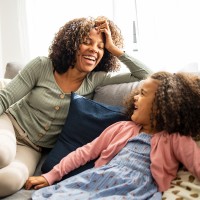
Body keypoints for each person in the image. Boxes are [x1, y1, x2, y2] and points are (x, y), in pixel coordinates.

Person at [0, 16, 151, 197]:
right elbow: (5, 98)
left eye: (100, 47)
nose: (94, 50)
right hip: (11, 124)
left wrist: (113, 48)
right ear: (71, 44)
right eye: (87, 42)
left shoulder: (96, 80)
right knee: (3, 153)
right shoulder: (42, 66)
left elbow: (145, 74)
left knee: (11, 181)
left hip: (33, 148)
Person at [25, 71, 200, 200]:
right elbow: (84, 153)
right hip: (100, 179)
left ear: (163, 104)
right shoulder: (122, 128)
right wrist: (51, 176)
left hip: (141, 189)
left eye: (143, 94)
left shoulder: (174, 139)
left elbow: (196, 163)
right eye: (137, 92)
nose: (135, 98)